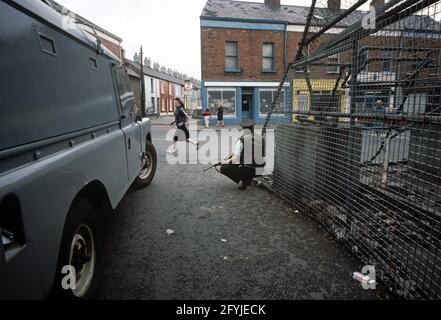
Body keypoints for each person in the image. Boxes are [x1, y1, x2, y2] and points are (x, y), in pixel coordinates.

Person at [217, 119, 266, 190]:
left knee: (223, 168)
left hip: (247, 168)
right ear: (253, 128)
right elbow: (263, 154)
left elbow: (235, 159)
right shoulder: (261, 138)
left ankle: (245, 181)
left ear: (243, 129)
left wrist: (223, 162)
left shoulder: (241, 140)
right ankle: (249, 180)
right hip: (260, 169)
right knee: (246, 163)